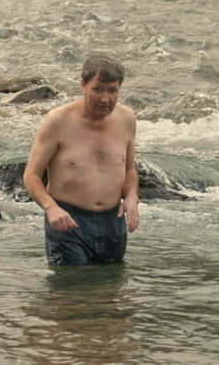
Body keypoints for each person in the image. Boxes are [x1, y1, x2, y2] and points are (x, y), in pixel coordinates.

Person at [22, 53, 140, 266]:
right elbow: (31, 176)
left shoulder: (127, 118)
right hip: (68, 222)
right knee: (70, 292)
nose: (106, 99)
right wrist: (51, 208)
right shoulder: (58, 121)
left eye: (113, 91)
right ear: (83, 85)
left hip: (113, 223)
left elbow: (129, 169)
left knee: (111, 291)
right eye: (98, 89)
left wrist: (132, 198)